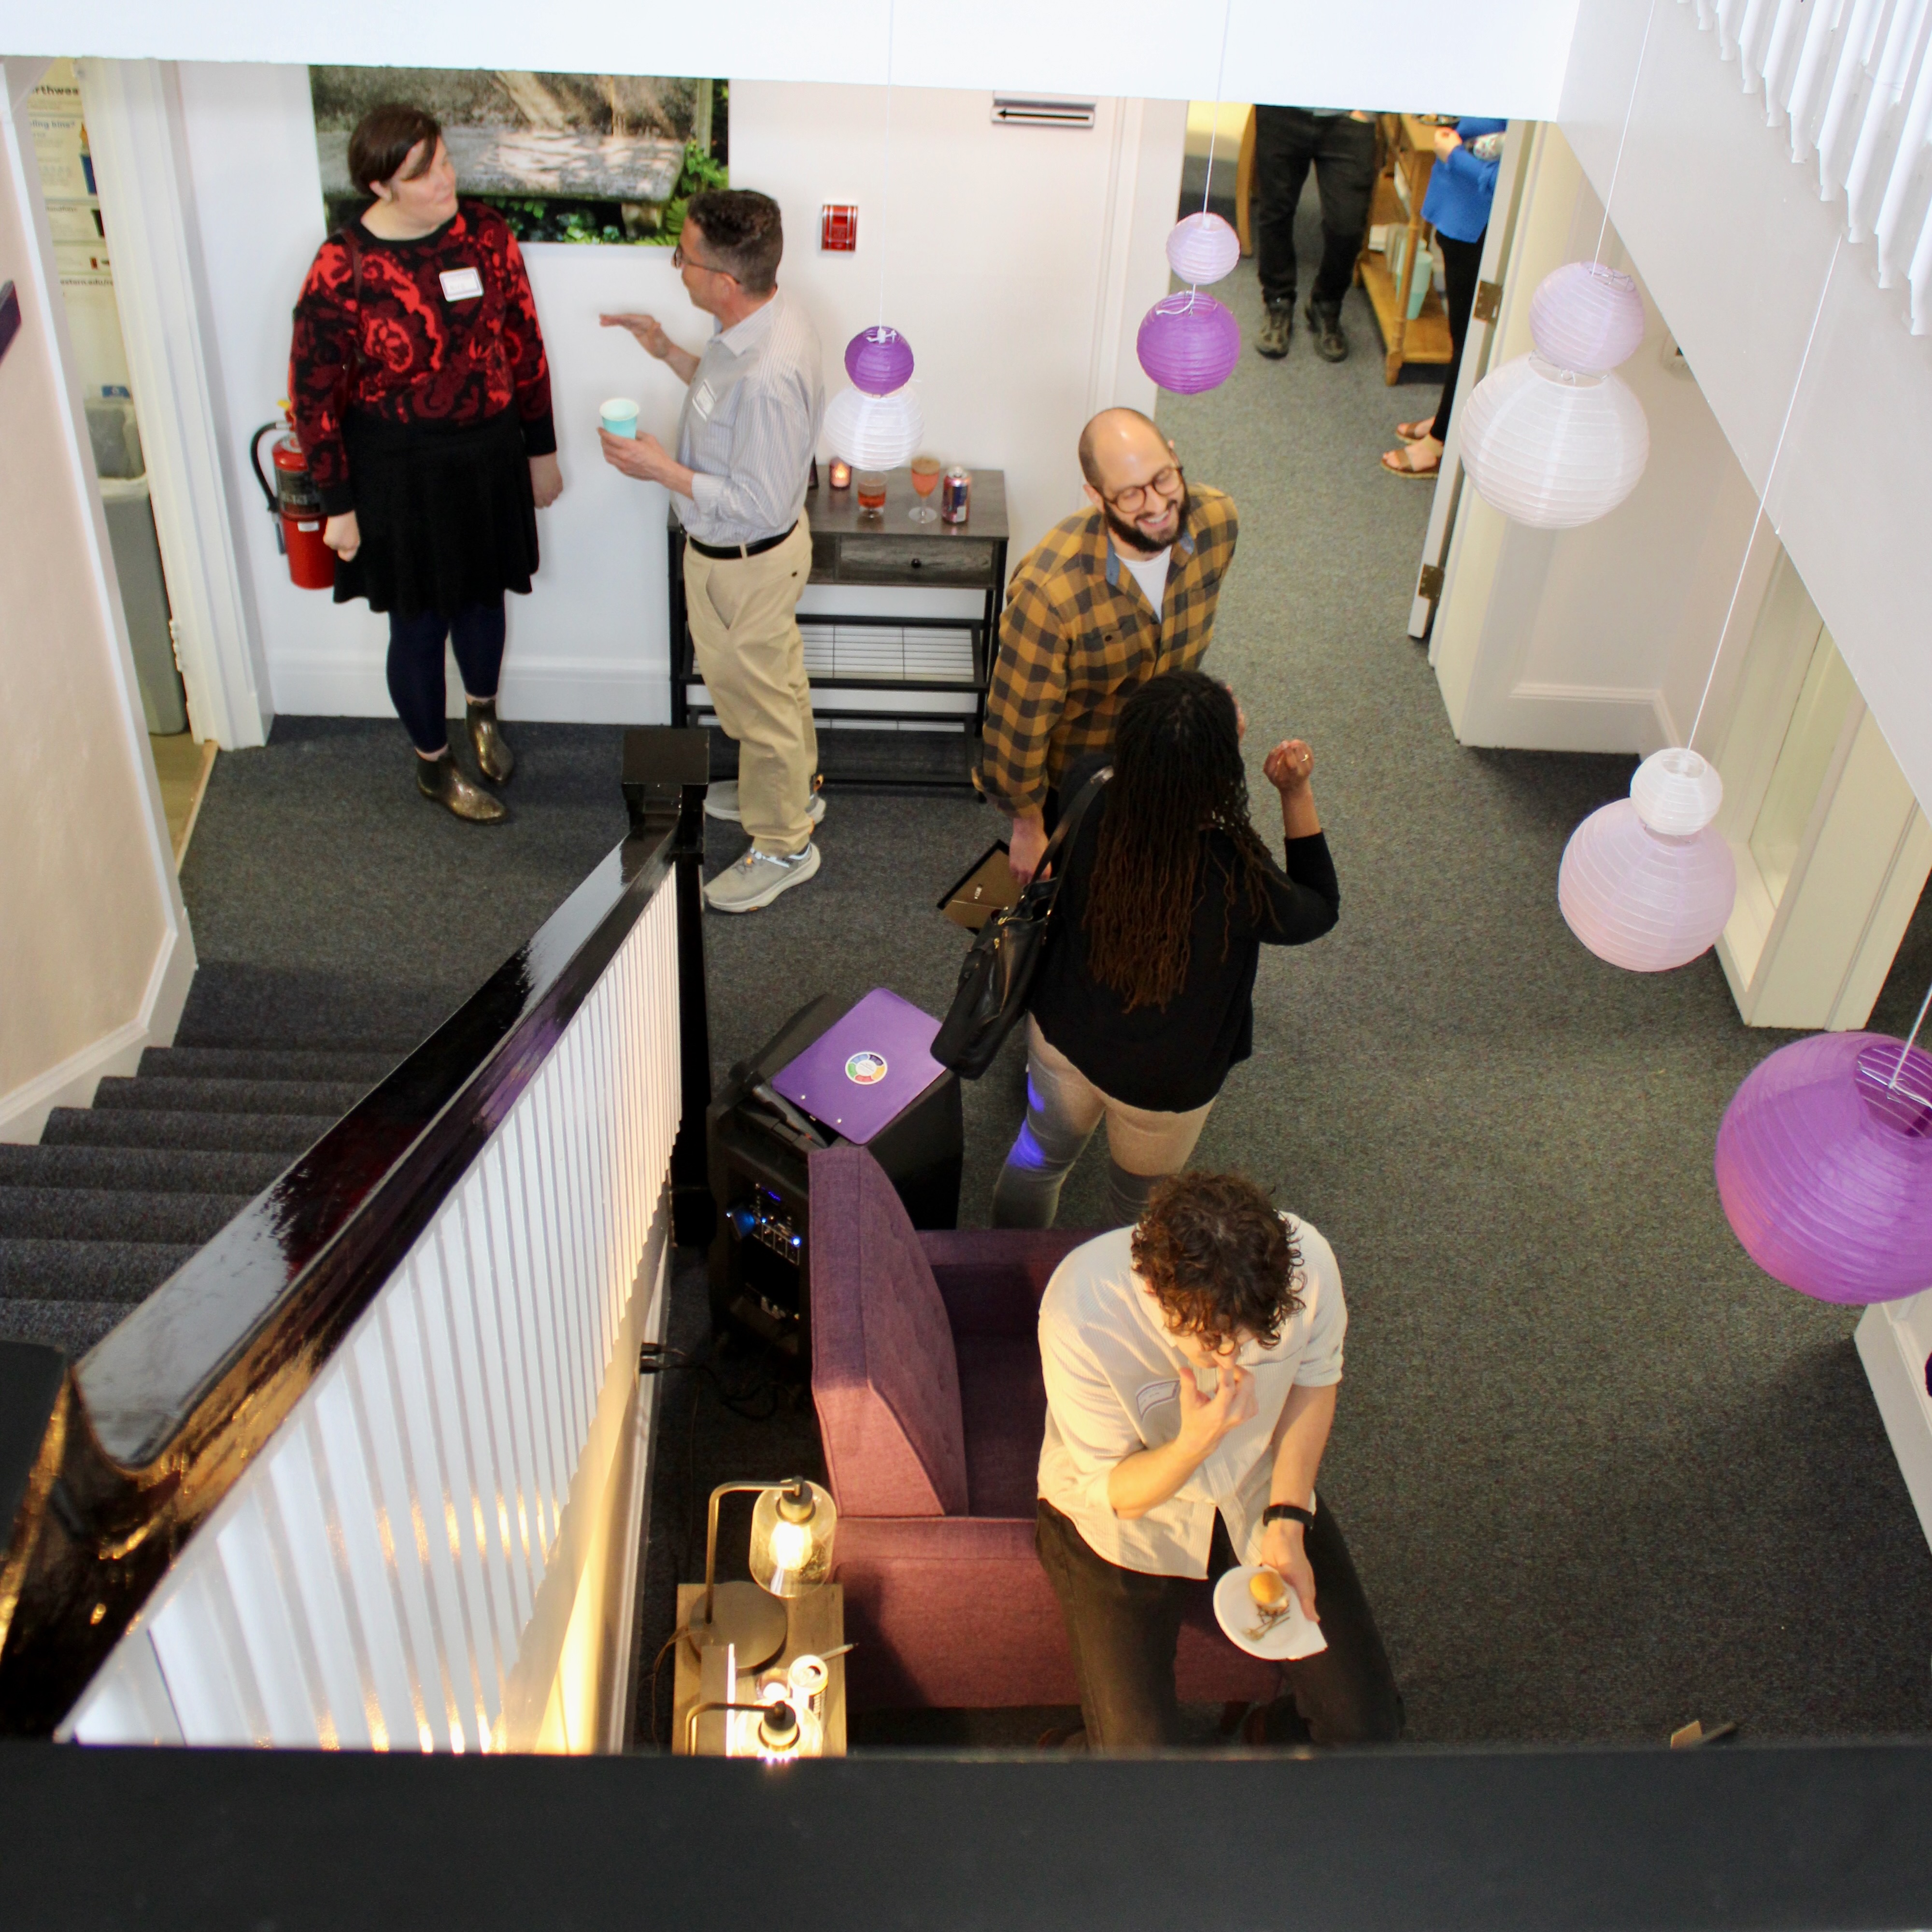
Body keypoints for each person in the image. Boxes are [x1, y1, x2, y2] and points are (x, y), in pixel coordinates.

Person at [1035, 1169, 1403, 1750]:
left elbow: (1315, 1379)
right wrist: (1193, 1443)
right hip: (1122, 1513)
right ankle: (1074, 1754)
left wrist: (1286, 1518)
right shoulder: (1080, 1308)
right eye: (1213, 1340)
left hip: (1258, 1482)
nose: (1233, 1356)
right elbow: (1115, 1491)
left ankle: (1271, 1734)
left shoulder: (1310, 1263)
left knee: (1369, 1729)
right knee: (1139, 1762)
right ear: (1155, 1290)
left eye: (1253, 1338)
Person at [290, 103, 562, 824]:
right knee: (418, 623)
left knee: (483, 598)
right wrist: (337, 504)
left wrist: (541, 450)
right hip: (400, 473)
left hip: (490, 453)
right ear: (381, 188)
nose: (447, 179)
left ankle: (482, 717)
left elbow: (524, 343)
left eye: (443, 160)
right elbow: (313, 394)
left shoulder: (487, 234)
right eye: (424, 173)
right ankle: (432, 765)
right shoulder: (342, 265)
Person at [991, 669, 1338, 1230]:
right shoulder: (1238, 873)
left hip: (1063, 1033)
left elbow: (1144, 771)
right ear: (1220, 770)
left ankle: (1000, 1274)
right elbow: (1318, 906)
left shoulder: (1086, 786)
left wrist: (1191, 739)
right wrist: (1293, 790)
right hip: (1163, 1079)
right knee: (1135, 1212)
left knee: (1036, 1160)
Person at [599, 190, 826, 914]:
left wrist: (658, 469)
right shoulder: (760, 321)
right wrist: (667, 350)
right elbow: (723, 406)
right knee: (774, 689)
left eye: (684, 259)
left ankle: (785, 842)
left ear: (724, 283)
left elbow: (756, 499)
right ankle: (791, 786)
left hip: (746, 563)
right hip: (750, 558)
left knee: (761, 710)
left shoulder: (765, 376)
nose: (678, 270)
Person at [982, 410, 1238, 886]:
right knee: (1076, 907)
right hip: (1082, 782)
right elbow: (1016, 724)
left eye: (1163, 478)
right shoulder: (1047, 595)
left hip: (1166, 758)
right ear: (1096, 497)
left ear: (1175, 456)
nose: (1158, 504)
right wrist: (1027, 826)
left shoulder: (1218, 522)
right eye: (1130, 493)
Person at [1384, 119, 1506, 479]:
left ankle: (1440, 443)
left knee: (1468, 341)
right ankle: (1447, 419)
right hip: (1459, 215)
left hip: (1478, 226)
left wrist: (1454, 155)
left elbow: (1505, 179)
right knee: (1460, 337)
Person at [1251, 107, 1380, 363]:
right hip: (1283, 107)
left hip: (1350, 115)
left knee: (1348, 225)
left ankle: (1327, 304)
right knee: (1275, 210)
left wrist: (1370, 110)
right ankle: (1278, 300)